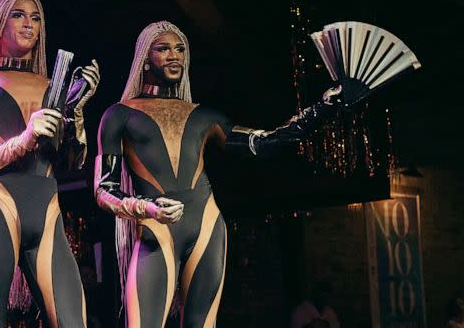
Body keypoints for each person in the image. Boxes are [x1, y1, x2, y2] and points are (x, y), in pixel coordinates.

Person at [94, 21, 344, 327]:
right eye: (163, 49)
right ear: (146, 58)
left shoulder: (204, 115)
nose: (174, 56)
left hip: (207, 225)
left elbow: (266, 142)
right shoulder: (119, 114)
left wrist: (323, 109)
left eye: (180, 49)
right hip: (155, 227)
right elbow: (103, 189)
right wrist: (146, 207)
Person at [0, 0, 100, 326]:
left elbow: (73, 162)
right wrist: (24, 139)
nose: (29, 24)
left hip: (47, 213)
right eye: (18, 15)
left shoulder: (51, 87)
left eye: (35, 18)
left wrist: (76, 110)